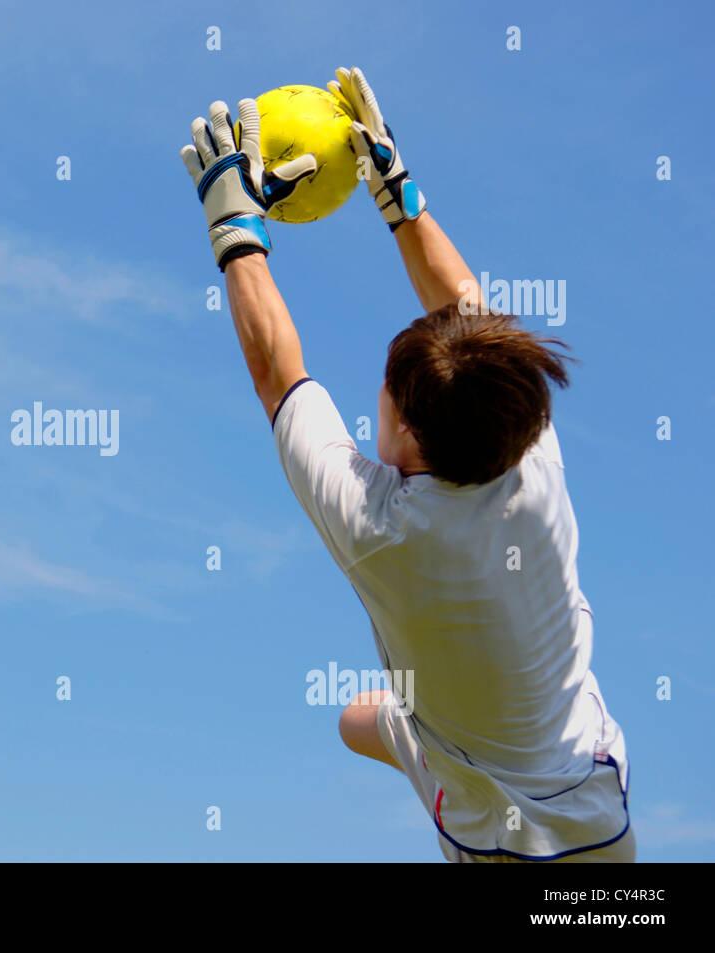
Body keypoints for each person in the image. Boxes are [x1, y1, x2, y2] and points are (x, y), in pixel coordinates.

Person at [179, 67, 632, 862]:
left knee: (368, 720)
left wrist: (233, 225)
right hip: (590, 799)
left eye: (383, 400)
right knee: (362, 718)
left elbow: (277, 372)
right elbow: (462, 304)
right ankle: (410, 723)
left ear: (410, 435)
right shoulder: (527, 445)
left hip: (502, 832)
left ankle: (417, 732)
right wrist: (396, 187)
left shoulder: (380, 528)